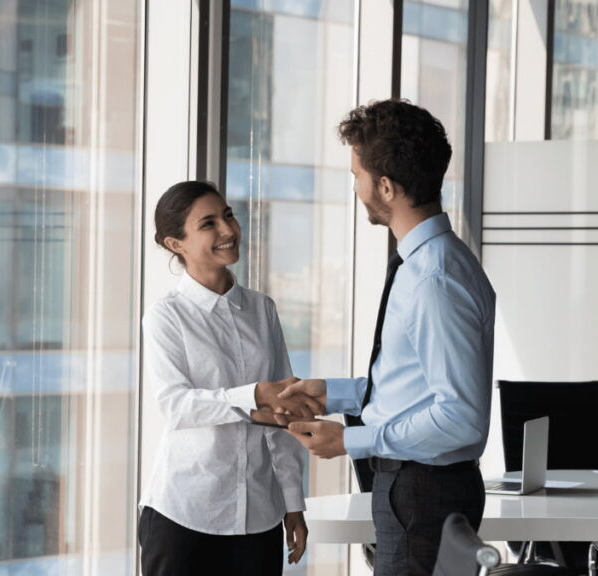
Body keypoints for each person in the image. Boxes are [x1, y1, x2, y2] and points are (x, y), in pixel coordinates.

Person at [277, 99, 497, 576]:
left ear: (385, 187)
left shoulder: (433, 278)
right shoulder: (433, 263)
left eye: (357, 176)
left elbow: (460, 418)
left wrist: (352, 439)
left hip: (422, 494)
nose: (355, 188)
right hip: (418, 489)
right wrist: (333, 393)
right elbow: (415, 387)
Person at [138, 181, 318, 576]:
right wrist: (254, 396)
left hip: (259, 516)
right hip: (184, 515)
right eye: (209, 224)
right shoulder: (166, 316)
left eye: (228, 215)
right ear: (176, 244)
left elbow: (284, 413)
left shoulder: (262, 310)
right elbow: (176, 405)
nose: (228, 230)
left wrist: (293, 502)